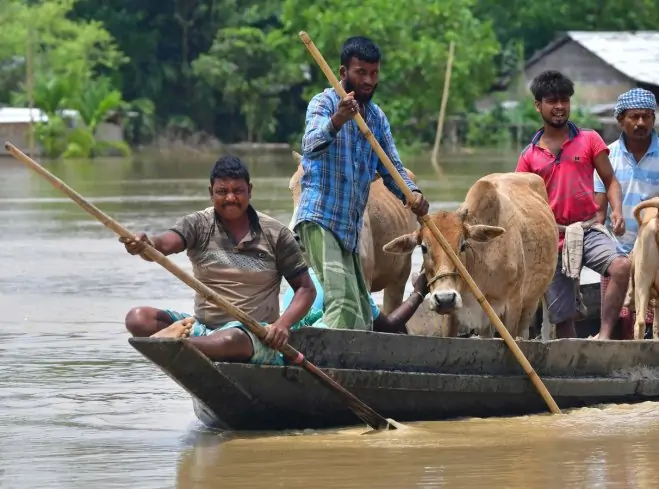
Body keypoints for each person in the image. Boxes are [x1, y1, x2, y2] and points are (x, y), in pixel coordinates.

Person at [121, 156, 317, 366]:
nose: (230, 198)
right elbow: (162, 245)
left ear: (249, 191)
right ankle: (184, 342)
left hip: (254, 335)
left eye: (237, 191)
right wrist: (144, 244)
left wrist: (282, 325)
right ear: (211, 193)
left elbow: (306, 289)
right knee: (137, 318)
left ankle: (178, 345)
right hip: (202, 327)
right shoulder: (198, 224)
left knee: (232, 339)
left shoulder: (276, 234)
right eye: (222, 192)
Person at [296, 35, 429, 332]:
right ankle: (299, 355)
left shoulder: (377, 118)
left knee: (359, 315)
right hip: (320, 220)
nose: (369, 80)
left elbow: (392, 167)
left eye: (374, 73)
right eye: (361, 73)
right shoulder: (324, 102)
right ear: (344, 73)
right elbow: (310, 146)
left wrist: (414, 195)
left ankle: (336, 361)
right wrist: (337, 120)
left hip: (350, 228)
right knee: (342, 304)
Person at [515, 69, 630, 340]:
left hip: (587, 228)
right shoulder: (529, 156)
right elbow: (520, 203)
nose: (559, 107)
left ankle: (603, 335)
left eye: (564, 100)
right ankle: (572, 355)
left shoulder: (589, 139)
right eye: (552, 101)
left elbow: (611, 181)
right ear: (538, 105)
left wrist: (616, 211)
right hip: (550, 236)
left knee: (622, 268)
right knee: (563, 319)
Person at [593, 88, 659, 337]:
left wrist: (645, 245)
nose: (641, 123)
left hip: (656, 248)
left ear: (654, 119)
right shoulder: (605, 156)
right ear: (621, 120)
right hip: (616, 251)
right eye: (634, 117)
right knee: (618, 321)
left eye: (646, 117)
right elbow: (599, 212)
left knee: (656, 322)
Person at [281, 267, 429, 334]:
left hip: (289, 338)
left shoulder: (307, 277)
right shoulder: (351, 282)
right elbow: (389, 325)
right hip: (318, 343)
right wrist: (418, 293)